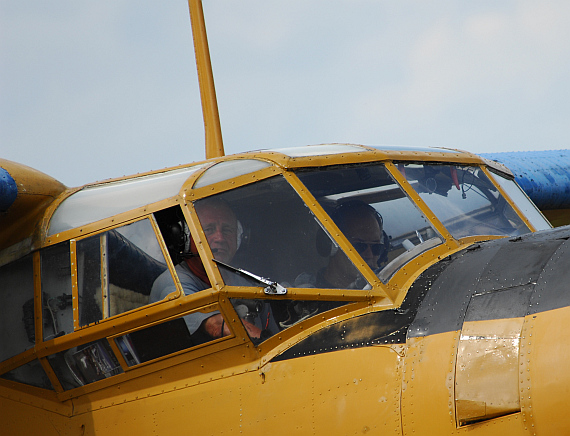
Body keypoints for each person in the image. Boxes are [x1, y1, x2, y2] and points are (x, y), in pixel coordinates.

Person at [150, 198, 264, 341]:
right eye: (208, 230)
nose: (220, 238)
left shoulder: (238, 279)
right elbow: (216, 325)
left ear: (239, 238)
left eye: (227, 230)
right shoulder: (173, 283)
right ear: (187, 238)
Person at [296, 200, 387, 289]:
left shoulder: (386, 290)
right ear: (331, 244)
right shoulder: (309, 297)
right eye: (360, 246)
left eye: (376, 247)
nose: (370, 255)